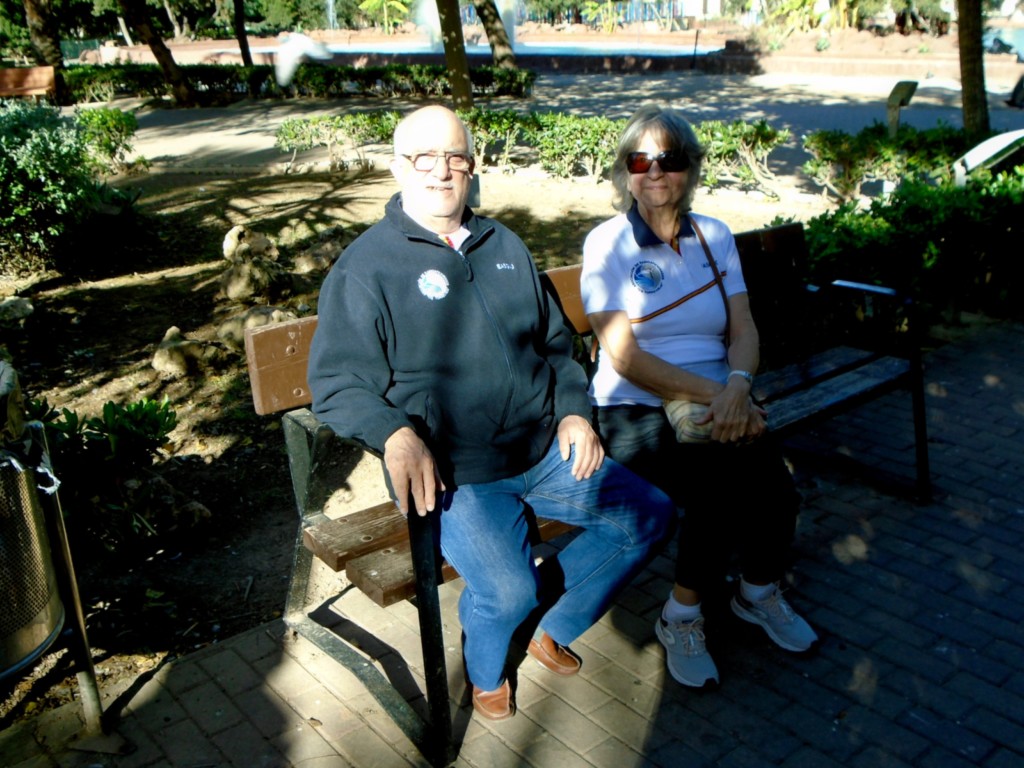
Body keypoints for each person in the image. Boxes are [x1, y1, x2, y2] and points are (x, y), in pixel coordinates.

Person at [308, 105, 674, 720]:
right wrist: (395, 434)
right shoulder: (367, 267)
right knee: (507, 590)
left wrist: (573, 413)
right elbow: (338, 383)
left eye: (455, 157)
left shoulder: (503, 244)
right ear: (398, 167)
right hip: (453, 472)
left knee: (648, 516)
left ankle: (548, 624)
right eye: (425, 158)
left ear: (471, 168)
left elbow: (555, 346)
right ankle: (487, 665)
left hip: (542, 449)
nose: (441, 171)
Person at [580, 104, 818, 689]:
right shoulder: (607, 244)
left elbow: (744, 327)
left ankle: (755, 594)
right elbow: (623, 356)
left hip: (721, 399)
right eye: (641, 161)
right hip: (635, 407)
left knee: (778, 491)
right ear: (625, 171)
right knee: (717, 491)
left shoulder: (714, 235)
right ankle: (680, 617)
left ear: (690, 168)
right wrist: (722, 394)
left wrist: (738, 386)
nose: (655, 172)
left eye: (670, 159)